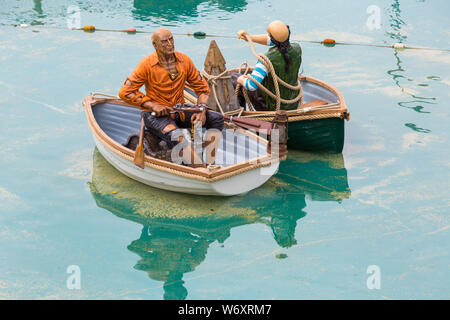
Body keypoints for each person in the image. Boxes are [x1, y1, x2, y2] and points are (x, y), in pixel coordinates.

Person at [119, 28, 223, 167]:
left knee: (217, 119)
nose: (169, 44)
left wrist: (201, 110)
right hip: (154, 115)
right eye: (164, 41)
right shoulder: (146, 64)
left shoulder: (184, 61)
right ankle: (202, 171)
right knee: (178, 137)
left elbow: (203, 89)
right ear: (155, 45)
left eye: (171, 39)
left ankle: (211, 164)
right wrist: (152, 105)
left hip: (179, 111)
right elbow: (125, 92)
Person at [233, 20, 302, 111]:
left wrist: (240, 79)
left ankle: (240, 112)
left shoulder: (266, 60)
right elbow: (278, 40)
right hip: (292, 102)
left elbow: (252, 86)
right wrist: (250, 37)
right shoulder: (297, 48)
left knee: (233, 78)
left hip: (272, 105)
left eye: (269, 34)